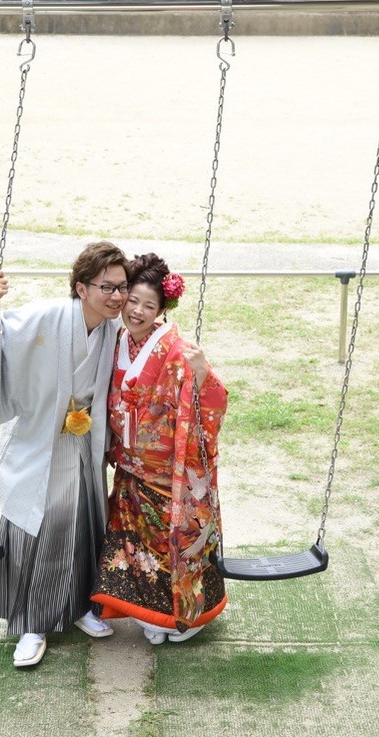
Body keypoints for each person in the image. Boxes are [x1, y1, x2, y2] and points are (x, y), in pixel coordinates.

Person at [0, 241, 129, 668]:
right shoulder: (47, 316)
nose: (116, 297)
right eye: (106, 287)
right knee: (37, 526)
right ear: (81, 288)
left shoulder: (113, 330)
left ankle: (81, 608)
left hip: (83, 439)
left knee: (83, 523)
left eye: (121, 287)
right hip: (42, 439)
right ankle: (32, 624)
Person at [90, 253, 229, 645]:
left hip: (168, 471)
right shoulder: (116, 339)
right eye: (132, 300)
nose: (136, 311)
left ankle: (187, 615)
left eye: (148, 305)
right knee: (140, 548)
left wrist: (202, 375)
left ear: (161, 309)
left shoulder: (176, 349)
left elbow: (214, 402)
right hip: (130, 468)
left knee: (175, 543)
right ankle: (154, 615)